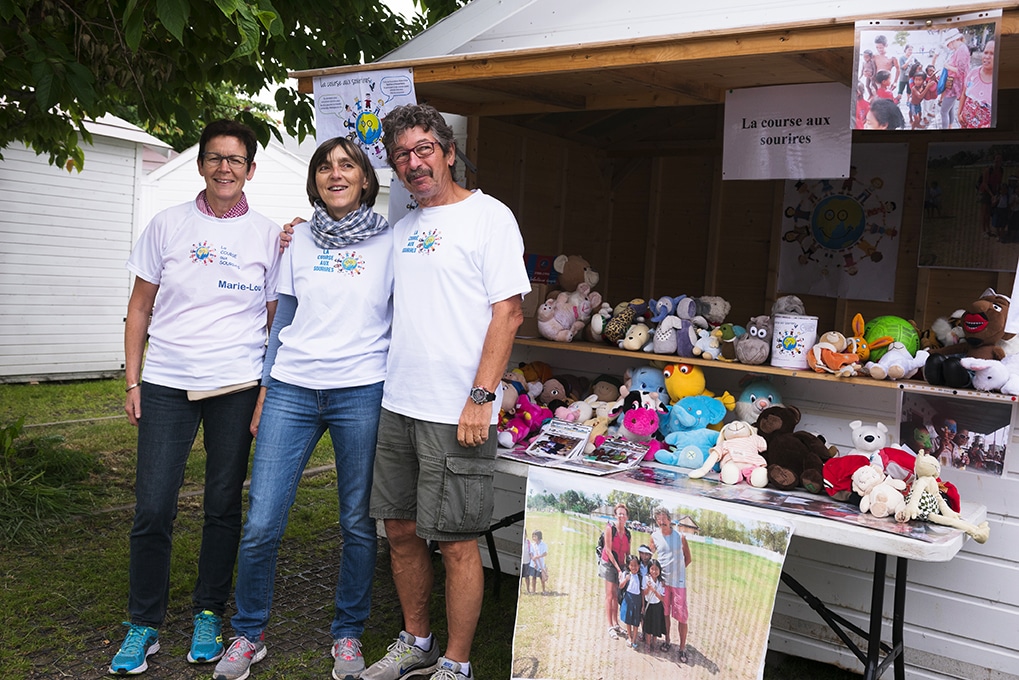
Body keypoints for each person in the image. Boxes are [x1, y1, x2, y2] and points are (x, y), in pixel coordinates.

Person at [212, 138, 392, 680]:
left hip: (361, 389)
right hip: (292, 388)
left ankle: (348, 632)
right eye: (325, 167)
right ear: (314, 180)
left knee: (357, 522)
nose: (335, 174)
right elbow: (283, 317)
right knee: (262, 520)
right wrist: (267, 388)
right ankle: (248, 634)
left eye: (347, 165)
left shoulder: (391, 241)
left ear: (365, 179)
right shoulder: (299, 239)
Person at [363, 103, 531, 680]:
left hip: (458, 410)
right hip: (398, 404)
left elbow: (508, 313)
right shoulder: (401, 229)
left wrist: (481, 398)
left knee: (456, 540)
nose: (414, 163)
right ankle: (417, 641)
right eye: (402, 155)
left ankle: (457, 664)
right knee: (400, 531)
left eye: (424, 149)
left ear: (449, 152)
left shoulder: (490, 217)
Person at [109, 119, 281, 675]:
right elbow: (139, 307)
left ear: (250, 169)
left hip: (236, 384)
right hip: (166, 381)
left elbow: (276, 321)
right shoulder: (167, 224)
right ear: (202, 164)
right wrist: (133, 380)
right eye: (215, 158)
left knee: (222, 505)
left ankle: (209, 612)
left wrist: (266, 391)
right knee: (153, 506)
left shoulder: (269, 235)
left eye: (235, 159)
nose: (224, 168)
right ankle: (144, 624)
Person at [649, 506, 693, 664]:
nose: (661, 522)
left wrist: (678, 573)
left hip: (679, 584)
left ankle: (682, 648)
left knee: (682, 617)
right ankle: (667, 640)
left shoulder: (680, 537)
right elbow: (649, 557)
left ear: (669, 519)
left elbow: (688, 558)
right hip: (663, 583)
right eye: (658, 519)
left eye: (664, 519)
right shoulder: (654, 537)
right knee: (665, 613)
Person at [597, 503, 631, 640]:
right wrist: (618, 570)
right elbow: (609, 551)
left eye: (624, 514)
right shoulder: (610, 528)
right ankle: (610, 625)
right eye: (619, 514)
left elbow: (628, 553)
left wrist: (627, 569)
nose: (622, 516)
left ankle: (616, 624)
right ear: (615, 515)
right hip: (609, 563)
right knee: (610, 595)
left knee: (617, 595)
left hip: (621, 565)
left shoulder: (628, 533)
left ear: (627, 517)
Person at [959, 40, 995, 129]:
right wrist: (959, 113)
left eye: (992, 54)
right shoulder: (973, 73)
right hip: (964, 126)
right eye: (986, 52)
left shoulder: (999, 82)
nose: (987, 57)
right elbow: (964, 94)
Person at [940, 28, 970, 130]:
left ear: (953, 41)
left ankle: (945, 131)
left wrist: (947, 66)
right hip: (953, 84)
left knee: (943, 111)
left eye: (948, 44)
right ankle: (950, 127)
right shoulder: (961, 49)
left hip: (955, 85)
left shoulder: (961, 50)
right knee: (950, 108)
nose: (949, 47)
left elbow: (961, 71)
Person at [618, 556, 644, 650]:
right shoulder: (626, 574)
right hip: (628, 600)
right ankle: (629, 636)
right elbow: (620, 586)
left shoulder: (640, 577)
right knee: (628, 619)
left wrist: (643, 605)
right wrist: (626, 580)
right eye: (631, 565)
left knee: (636, 621)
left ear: (639, 566)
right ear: (628, 566)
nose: (634, 567)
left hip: (637, 601)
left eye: (636, 565)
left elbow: (642, 592)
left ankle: (634, 639)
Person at [641, 559, 667, 652]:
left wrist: (654, 590)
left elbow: (662, 598)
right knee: (648, 626)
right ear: (649, 569)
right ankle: (648, 643)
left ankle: (654, 643)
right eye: (652, 569)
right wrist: (648, 588)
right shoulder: (646, 579)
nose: (654, 571)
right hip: (649, 605)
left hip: (657, 606)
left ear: (659, 570)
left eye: (656, 569)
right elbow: (643, 593)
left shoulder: (661, 582)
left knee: (656, 626)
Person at [529, 530, 549, 595]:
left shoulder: (544, 545)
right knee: (533, 578)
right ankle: (533, 591)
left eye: (535, 536)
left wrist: (538, 556)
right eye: (533, 536)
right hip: (533, 564)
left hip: (541, 564)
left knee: (542, 578)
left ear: (539, 536)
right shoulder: (532, 545)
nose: (534, 538)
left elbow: (545, 553)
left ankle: (544, 590)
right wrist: (534, 561)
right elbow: (531, 554)